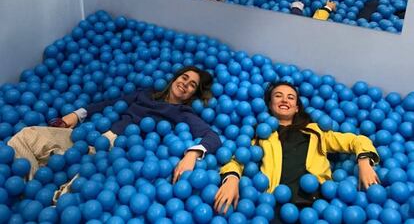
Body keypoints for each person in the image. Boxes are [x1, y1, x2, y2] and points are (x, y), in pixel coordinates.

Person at [7, 66, 221, 182]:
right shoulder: (145, 94)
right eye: (184, 78)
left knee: (77, 197)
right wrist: (76, 115)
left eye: (192, 85)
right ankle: (32, 181)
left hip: (119, 155)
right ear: (174, 79)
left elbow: (213, 137)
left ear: (193, 94)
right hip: (92, 135)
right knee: (26, 136)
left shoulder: (183, 112)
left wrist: (193, 154)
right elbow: (109, 104)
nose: (185, 84)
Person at [214, 81, 379, 217]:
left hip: (318, 205)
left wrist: (364, 162)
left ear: (297, 107)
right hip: (274, 206)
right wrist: (232, 180)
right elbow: (238, 158)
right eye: (278, 96)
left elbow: (356, 140)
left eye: (290, 97)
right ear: (270, 105)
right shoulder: (261, 135)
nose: (285, 100)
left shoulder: (315, 131)